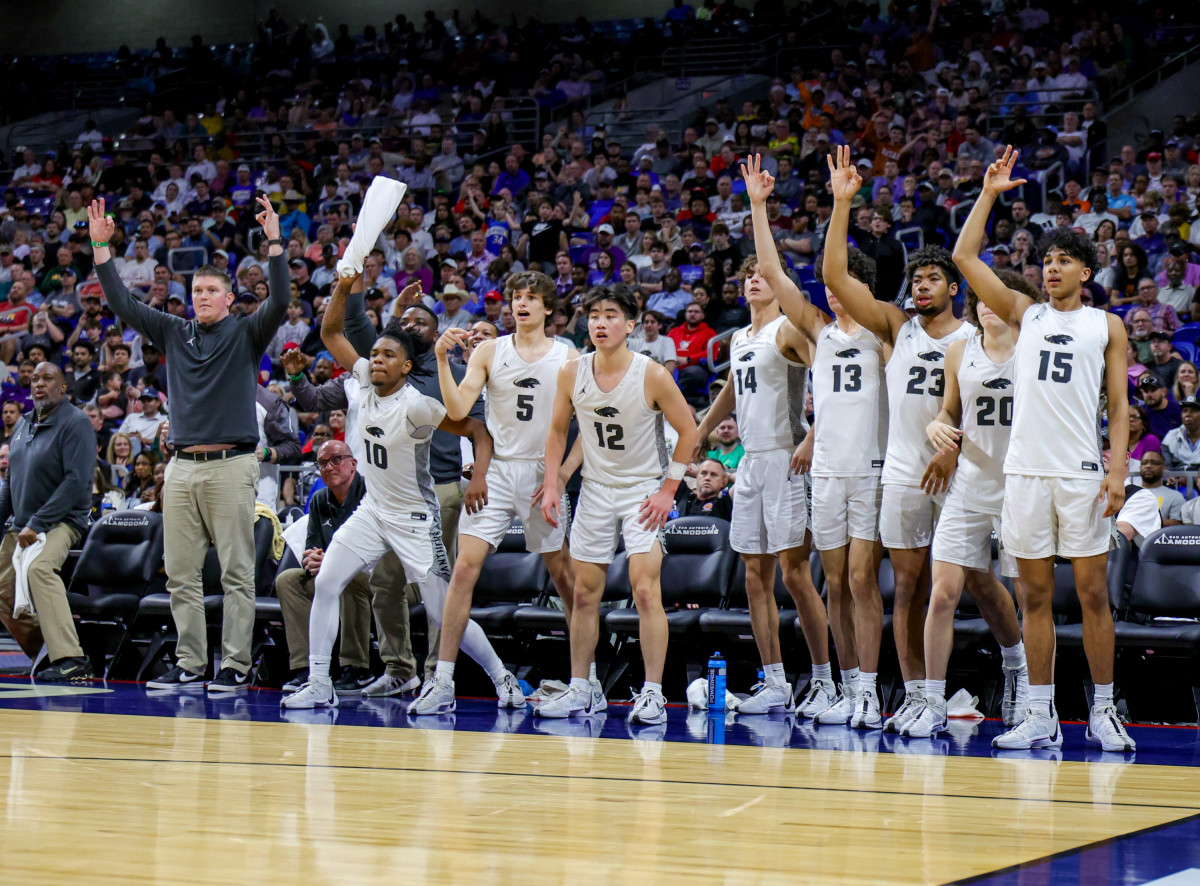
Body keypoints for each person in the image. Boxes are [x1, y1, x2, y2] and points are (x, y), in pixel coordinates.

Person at [959, 147, 1134, 753]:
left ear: (1087, 272)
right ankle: (1041, 713)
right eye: (1047, 260)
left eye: (1064, 261)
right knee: (1031, 597)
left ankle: (1106, 711)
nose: (1052, 268)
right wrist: (989, 194)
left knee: (1092, 595)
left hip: (1081, 471)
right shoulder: (1023, 312)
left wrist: (1118, 474)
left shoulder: (1106, 326)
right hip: (1025, 474)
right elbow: (963, 256)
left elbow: (1118, 407)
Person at [282, 273, 524, 710]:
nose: (375, 360)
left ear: (406, 366)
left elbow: (478, 430)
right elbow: (330, 332)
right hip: (373, 512)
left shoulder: (417, 406)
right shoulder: (362, 379)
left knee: (442, 612)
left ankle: (502, 677)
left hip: (416, 519)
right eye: (374, 354)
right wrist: (344, 283)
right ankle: (319, 682)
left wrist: (482, 476)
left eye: (387, 355)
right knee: (328, 583)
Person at [90, 195, 289, 692]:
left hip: (230, 464)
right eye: (196, 289)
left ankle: (235, 665)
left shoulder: (246, 332)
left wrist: (274, 243)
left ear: (227, 298)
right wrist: (100, 248)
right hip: (179, 467)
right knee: (180, 574)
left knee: (237, 574)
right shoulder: (174, 332)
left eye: (210, 291)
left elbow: (281, 301)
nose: (201, 296)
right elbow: (122, 304)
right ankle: (190, 663)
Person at [824, 146, 975, 732]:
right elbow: (836, 275)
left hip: (961, 474)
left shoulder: (973, 336)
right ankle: (918, 693)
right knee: (908, 588)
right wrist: (844, 204)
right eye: (916, 278)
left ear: (954, 288)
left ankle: (1012, 670)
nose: (921, 286)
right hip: (902, 472)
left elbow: (983, 409)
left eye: (933, 277)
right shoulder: (896, 325)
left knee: (972, 587)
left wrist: (953, 445)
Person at [687, 154, 836, 717]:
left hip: (787, 458)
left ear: (777, 284)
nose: (753, 277)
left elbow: (833, 374)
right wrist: (702, 426)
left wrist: (815, 434)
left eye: (762, 272)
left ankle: (824, 678)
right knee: (754, 573)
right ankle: (775, 681)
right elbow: (730, 388)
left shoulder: (789, 330)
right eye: (747, 273)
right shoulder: (739, 338)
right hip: (749, 462)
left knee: (796, 574)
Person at [413, 270, 586, 715]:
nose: (521, 304)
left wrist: (561, 476)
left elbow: (585, 427)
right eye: (516, 297)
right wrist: (438, 358)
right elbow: (456, 409)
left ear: (548, 308)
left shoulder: (568, 357)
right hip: (498, 472)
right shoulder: (490, 350)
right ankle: (443, 680)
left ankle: (586, 682)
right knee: (463, 571)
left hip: (540, 475)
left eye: (531, 297)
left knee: (564, 579)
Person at [538, 284, 698, 723]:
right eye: (593, 315)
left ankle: (652, 693)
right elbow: (556, 431)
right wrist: (553, 482)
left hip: (643, 490)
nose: (600, 322)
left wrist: (668, 490)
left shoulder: (652, 374)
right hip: (594, 490)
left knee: (645, 590)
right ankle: (582, 688)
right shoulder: (572, 371)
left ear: (630, 325)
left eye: (610, 315)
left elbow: (689, 431)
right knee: (584, 593)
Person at [903, 273, 1040, 738]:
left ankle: (1021, 673)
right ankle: (933, 703)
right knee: (943, 593)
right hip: (970, 483)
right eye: (979, 299)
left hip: (1020, 486)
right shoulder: (960, 352)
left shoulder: (1034, 350)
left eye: (994, 300)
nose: (985, 306)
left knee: (1020, 595)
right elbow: (950, 411)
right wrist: (936, 428)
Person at [0, 363, 95, 682]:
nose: (39, 383)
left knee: (40, 569)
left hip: (62, 521)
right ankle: (47, 652)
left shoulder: (76, 422)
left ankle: (71, 657)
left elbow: (76, 480)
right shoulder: (23, 424)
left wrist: (39, 523)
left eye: (48, 379)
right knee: (1, 589)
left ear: (63, 387)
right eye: (35, 378)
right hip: (22, 523)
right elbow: (10, 482)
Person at [275, 440, 374, 693]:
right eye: (322, 463)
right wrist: (313, 560)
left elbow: (375, 552)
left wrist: (329, 562)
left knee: (347, 578)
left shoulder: (371, 493)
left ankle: (357, 667)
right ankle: (309, 667)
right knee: (288, 580)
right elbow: (311, 549)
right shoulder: (320, 500)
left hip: (379, 579)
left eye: (336, 460)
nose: (329, 467)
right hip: (333, 575)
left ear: (353, 463)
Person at [1138, 450, 1184, 525]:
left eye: (1154, 463)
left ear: (1163, 468)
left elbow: (1177, 523)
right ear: (1140, 467)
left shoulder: (1175, 496)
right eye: (1144, 463)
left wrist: (1143, 524)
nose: (1148, 466)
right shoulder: (1129, 493)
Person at [1162, 396, 1200, 471]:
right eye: (1185, 411)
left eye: (1193, 411)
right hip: (1177, 482)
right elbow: (1168, 468)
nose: (1188, 414)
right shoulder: (1171, 436)